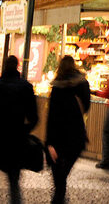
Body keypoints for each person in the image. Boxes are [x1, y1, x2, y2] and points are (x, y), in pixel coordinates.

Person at [0, 55, 38, 204]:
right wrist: (24, 131)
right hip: (16, 143)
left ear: (4, 67)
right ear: (18, 67)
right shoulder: (26, 88)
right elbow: (34, 118)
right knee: (14, 184)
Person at [45, 55, 91, 204]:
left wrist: (49, 143)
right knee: (62, 176)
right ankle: (59, 198)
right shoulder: (82, 83)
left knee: (59, 178)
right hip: (75, 136)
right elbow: (87, 106)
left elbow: (51, 116)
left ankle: (59, 198)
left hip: (57, 138)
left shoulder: (57, 87)